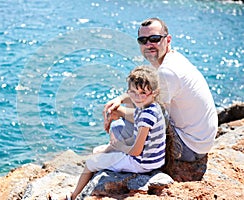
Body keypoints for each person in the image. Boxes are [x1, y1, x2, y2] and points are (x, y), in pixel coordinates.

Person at [102, 17, 218, 162]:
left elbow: (152, 118)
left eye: (155, 39)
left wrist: (119, 112)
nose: (148, 44)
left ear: (168, 40)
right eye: (143, 40)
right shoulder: (173, 58)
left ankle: (109, 157)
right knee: (131, 115)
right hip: (201, 141)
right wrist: (119, 99)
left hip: (188, 147)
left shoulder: (167, 71)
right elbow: (147, 92)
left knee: (120, 127)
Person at [70, 66, 168, 200]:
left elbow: (136, 151)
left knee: (90, 163)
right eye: (133, 92)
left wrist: (118, 146)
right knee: (98, 150)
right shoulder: (151, 107)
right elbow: (134, 119)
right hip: (154, 160)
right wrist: (118, 110)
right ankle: (108, 154)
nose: (137, 97)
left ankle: (72, 196)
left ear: (155, 92)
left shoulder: (146, 116)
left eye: (143, 93)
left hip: (141, 163)